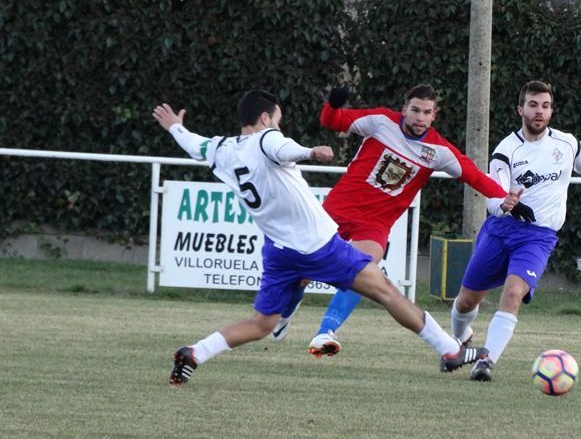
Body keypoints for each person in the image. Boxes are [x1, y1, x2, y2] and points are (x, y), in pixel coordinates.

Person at [152, 89, 489, 385]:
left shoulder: (222, 148)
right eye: (278, 120)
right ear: (266, 119)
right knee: (386, 292)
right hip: (318, 246)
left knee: (262, 324)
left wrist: (175, 127)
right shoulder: (268, 139)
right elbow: (282, 148)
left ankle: (196, 352)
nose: (279, 125)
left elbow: (194, 144)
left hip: (278, 251)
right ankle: (450, 350)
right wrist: (311, 152)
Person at [271, 84, 518, 358]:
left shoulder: (438, 151)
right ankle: (285, 314)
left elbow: (475, 176)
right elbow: (333, 121)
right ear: (404, 109)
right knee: (300, 276)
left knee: (362, 269)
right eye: (415, 110)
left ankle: (325, 332)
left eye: (426, 112)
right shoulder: (381, 122)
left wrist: (503, 196)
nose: (420, 117)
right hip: (336, 211)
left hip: (374, 224)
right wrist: (333, 105)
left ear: (434, 115)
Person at [450, 80, 581, 382]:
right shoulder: (507, 150)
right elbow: (493, 195)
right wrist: (504, 204)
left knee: (513, 293)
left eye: (545, 106)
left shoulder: (567, 145)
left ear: (551, 111)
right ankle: (460, 338)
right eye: (533, 105)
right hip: (501, 230)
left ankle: (485, 361)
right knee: (466, 301)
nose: (539, 111)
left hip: (538, 237)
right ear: (520, 109)